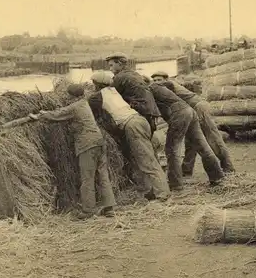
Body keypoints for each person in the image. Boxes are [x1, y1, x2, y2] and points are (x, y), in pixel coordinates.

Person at [30, 84, 117, 219]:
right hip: (99, 141)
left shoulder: (75, 107)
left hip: (87, 144)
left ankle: (88, 211)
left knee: (87, 177)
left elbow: (58, 114)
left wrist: (39, 116)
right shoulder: (84, 103)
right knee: (103, 175)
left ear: (71, 96)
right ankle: (109, 207)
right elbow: (64, 111)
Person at [88, 71, 171, 202]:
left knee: (146, 161)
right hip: (140, 120)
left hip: (133, 125)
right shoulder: (114, 91)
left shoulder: (98, 96)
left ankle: (163, 194)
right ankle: (151, 191)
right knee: (145, 158)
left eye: (93, 84)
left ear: (97, 85)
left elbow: (86, 106)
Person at [145, 76, 224, 189]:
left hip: (179, 114)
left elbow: (153, 115)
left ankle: (175, 184)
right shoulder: (159, 88)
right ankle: (217, 177)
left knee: (172, 149)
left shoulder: (149, 91)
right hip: (189, 111)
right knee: (202, 146)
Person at [105, 53, 162, 137]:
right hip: (151, 112)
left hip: (140, 113)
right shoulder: (135, 74)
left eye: (111, 65)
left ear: (119, 64)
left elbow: (110, 96)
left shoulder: (120, 77)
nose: (110, 69)